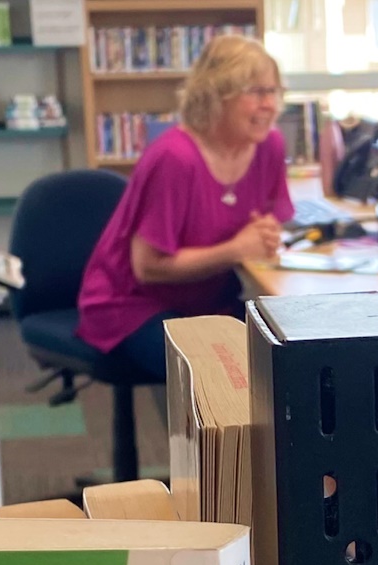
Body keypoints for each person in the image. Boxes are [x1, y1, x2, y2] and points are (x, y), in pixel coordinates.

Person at [76, 35, 292, 380]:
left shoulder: (269, 146)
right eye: (256, 92)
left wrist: (263, 236)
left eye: (275, 92)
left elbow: (267, 222)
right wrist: (236, 249)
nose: (270, 104)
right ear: (216, 97)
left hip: (209, 297)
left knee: (294, 356)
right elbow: (148, 268)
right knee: (227, 378)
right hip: (135, 305)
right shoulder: (175, 158)